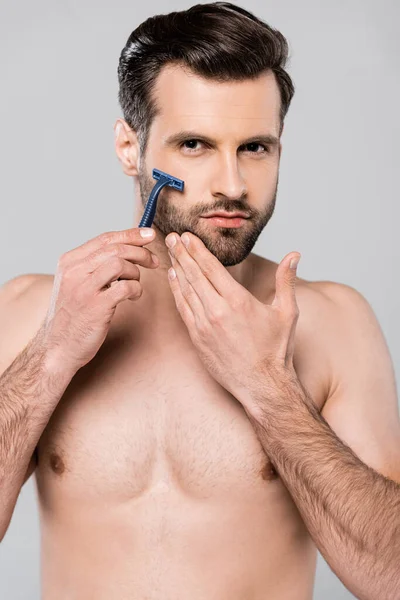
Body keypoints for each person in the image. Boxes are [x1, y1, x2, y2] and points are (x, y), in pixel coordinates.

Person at [1, 2, 399, 598]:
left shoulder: (333, 324)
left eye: (255, 148)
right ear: (130, 148)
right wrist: (51, 357)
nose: (232, 185)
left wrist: (270, 390)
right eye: (194, 144)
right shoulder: (32, 312)